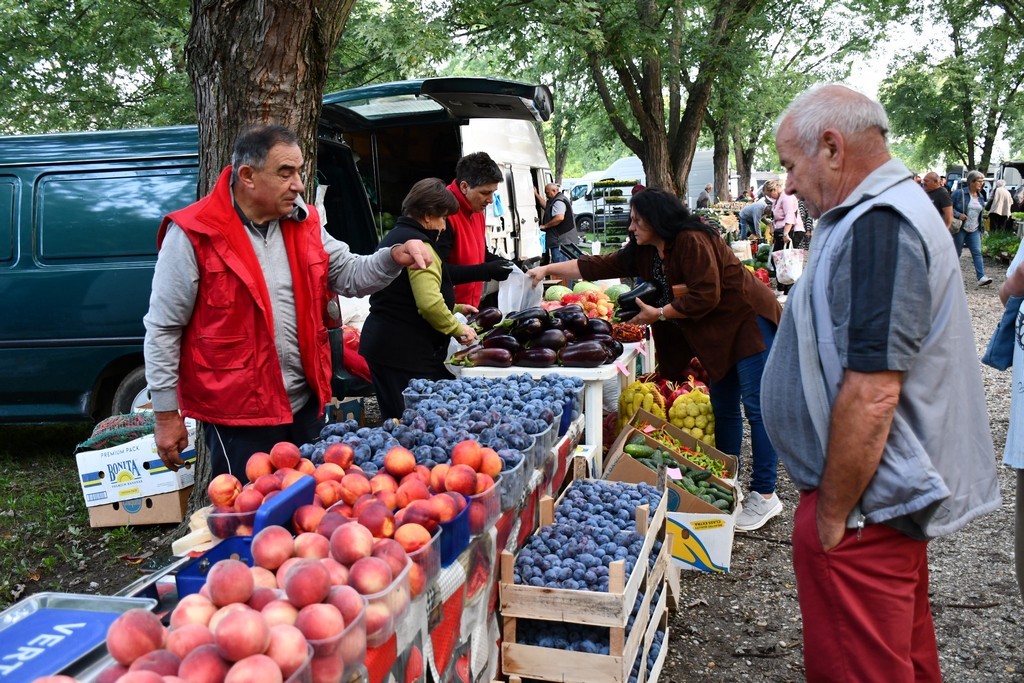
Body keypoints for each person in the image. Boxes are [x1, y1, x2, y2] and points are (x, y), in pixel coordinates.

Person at [763, 84, 1000, 682]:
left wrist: (834, 514)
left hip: (867, 505)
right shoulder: (879, 214)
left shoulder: (881, 223)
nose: (787, 184)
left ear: (833, 147)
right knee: (902, 660)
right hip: (881, 496)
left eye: (791, 165)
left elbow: (873, 391)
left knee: (862, 667)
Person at [144, 125, 434, 478]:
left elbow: (352, 275)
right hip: (238, 419)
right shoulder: (193, 234)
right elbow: (163, 328)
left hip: (304, 407)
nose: (298, 184)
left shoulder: (305, 222)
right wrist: (164, 414)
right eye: (285, 173)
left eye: (299, 171)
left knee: (309, 513)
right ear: (247, 176)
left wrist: (394, 255)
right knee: (254, 517)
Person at [525, 188, 784, 531]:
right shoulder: (646, 250)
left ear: (657, 219)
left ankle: (765, 496)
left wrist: (659, 313)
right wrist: (545, 269)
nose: (631, 227)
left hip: (747, 322)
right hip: (717, 334)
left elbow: (707, 293)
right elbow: (598, 264)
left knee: (757, 409)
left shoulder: (691, 239)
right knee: (723, 406)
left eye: (637, 220)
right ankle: (727, 482)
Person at [360, 179, 477, 419]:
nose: (444, 226)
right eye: (443, 218)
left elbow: (405, 294)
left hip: (386, 346)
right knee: (412, 426)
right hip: (404, 353)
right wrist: (457, 328)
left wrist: (454, 306)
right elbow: (428, 303)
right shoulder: (419, 246)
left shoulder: (396, 237)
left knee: (396, 420)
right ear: (427, 216)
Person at [437, 152, 514, 307]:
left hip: (470, 307)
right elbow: (438, 270)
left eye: (493, 192)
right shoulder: (443, 214)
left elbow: (480, 253)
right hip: (446, 311)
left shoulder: (477, 211)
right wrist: (485, 271)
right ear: (464, 187)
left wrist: (505, 264)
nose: (491, 200)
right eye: (485, 193)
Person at [951, 170, 993, 286]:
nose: (981, 184)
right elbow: (949, 207)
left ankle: (981, 277)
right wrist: (958, 214)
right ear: (971, 182)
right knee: (956, 252)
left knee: (977, 252)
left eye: (982, 182)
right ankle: (950, 276)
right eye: (979, 181)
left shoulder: (980, 195)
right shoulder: (959, 193)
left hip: (974, 229)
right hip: (961, 228)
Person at [534, 183, 578, 263]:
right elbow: (546, 206)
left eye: (547, 193)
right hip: (563, 241)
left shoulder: (558, 201)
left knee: (561, 269)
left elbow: (559, 218)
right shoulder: (558, 199)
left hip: (561, 242)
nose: (546, 195)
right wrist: (536, 194)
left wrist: (545, 226)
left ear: (554, 191)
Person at [771, 186, 800, 297]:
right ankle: (782, 288)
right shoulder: (778, 199)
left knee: (786, 261)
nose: (769, 197)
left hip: (787, 231)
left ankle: (788, 291)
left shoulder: (786, 197)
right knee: (778, 260)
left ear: (774, 189)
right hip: (780, 231)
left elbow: (790, 216)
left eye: (769, 194)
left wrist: (786, 233)